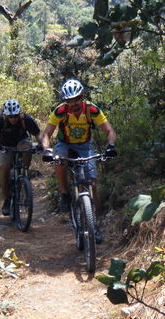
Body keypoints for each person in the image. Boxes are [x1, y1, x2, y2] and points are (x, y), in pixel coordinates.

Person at [39, 79, 117, 240]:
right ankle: (64, 193)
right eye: (69, 100)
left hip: (85, 145)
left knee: (92, 185)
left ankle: (95, 226)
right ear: (65, 101)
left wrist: (110, 146)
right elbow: (47, 133)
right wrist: (47, 150)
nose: (73, 103)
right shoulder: (60, 111)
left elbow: (109, 130)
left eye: (76, 99)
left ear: (82, 97)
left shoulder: (91, 109)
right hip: (65, 144)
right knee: (59, 160)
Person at [0, 99, 42, 216]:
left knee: (27, 148)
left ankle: (24, 175)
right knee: (5, 169)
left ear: (19, 114)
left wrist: (41, 144)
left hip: (21, 142)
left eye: (16, 116)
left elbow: (38, 134)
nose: (14, 119)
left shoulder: (26, 119)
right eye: (11, 117)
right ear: (6, 116)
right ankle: (6, 200)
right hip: (5, 145)